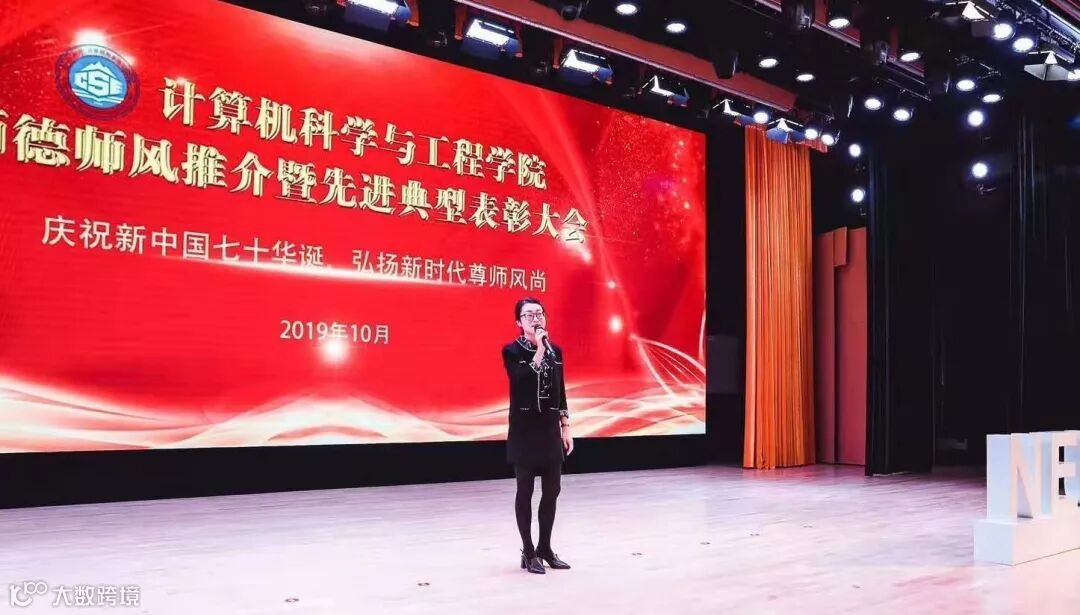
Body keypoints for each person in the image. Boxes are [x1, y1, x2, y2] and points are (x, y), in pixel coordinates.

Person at [502, 297, 574, 574]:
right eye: (529, 315)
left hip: (549, 430)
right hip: (524, 431)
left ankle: (545, 548)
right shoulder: (511, 351)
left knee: (553, 490)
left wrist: (566, 425)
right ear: (518, 322)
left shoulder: (556, 351)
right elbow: (521, 380)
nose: (536, 319)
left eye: (540, 314)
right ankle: (528, 551)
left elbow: (560, 390)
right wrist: (540, 349)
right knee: (526, 491)